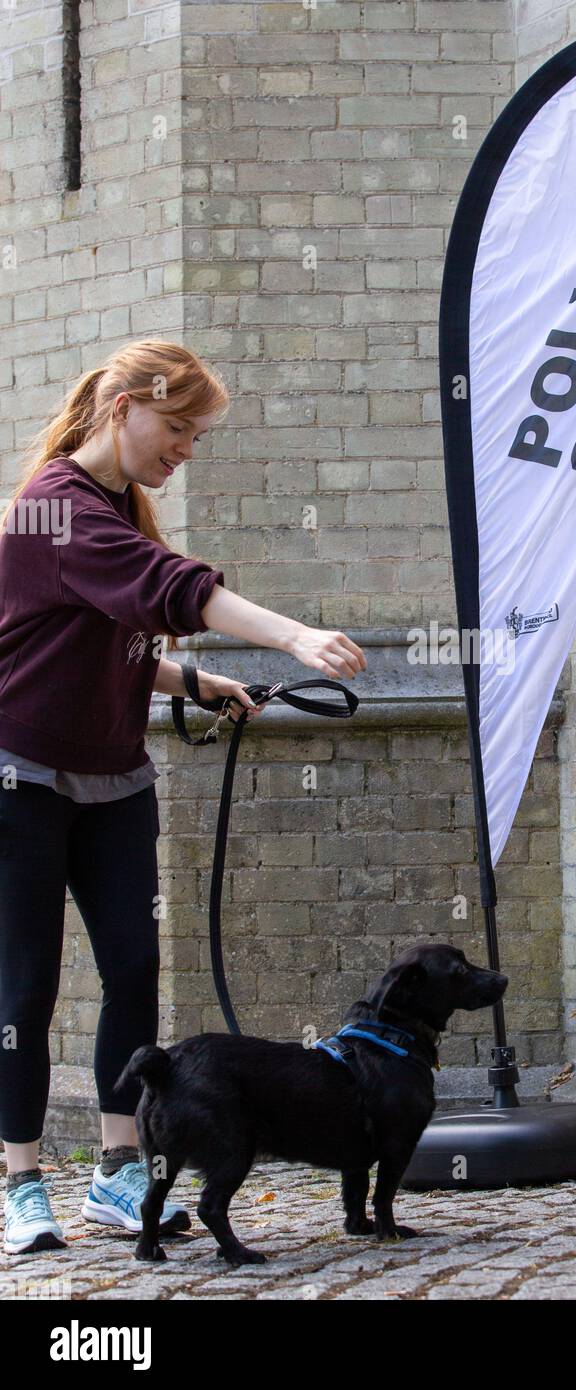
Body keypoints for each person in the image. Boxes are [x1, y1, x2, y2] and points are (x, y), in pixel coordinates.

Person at [0, 339, 366, 1254]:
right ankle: (19, 1181)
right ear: (123, 407)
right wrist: (291, 636)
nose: (185, 450)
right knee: (25, 987)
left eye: (195, 435)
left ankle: (119, 1173)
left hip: (114, 772)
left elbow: (91, 641)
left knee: (132, 970)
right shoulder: (52, 509)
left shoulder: (121, 505)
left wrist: (189, 683)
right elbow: (170, 588)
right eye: (178, 428)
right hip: (23, 774)